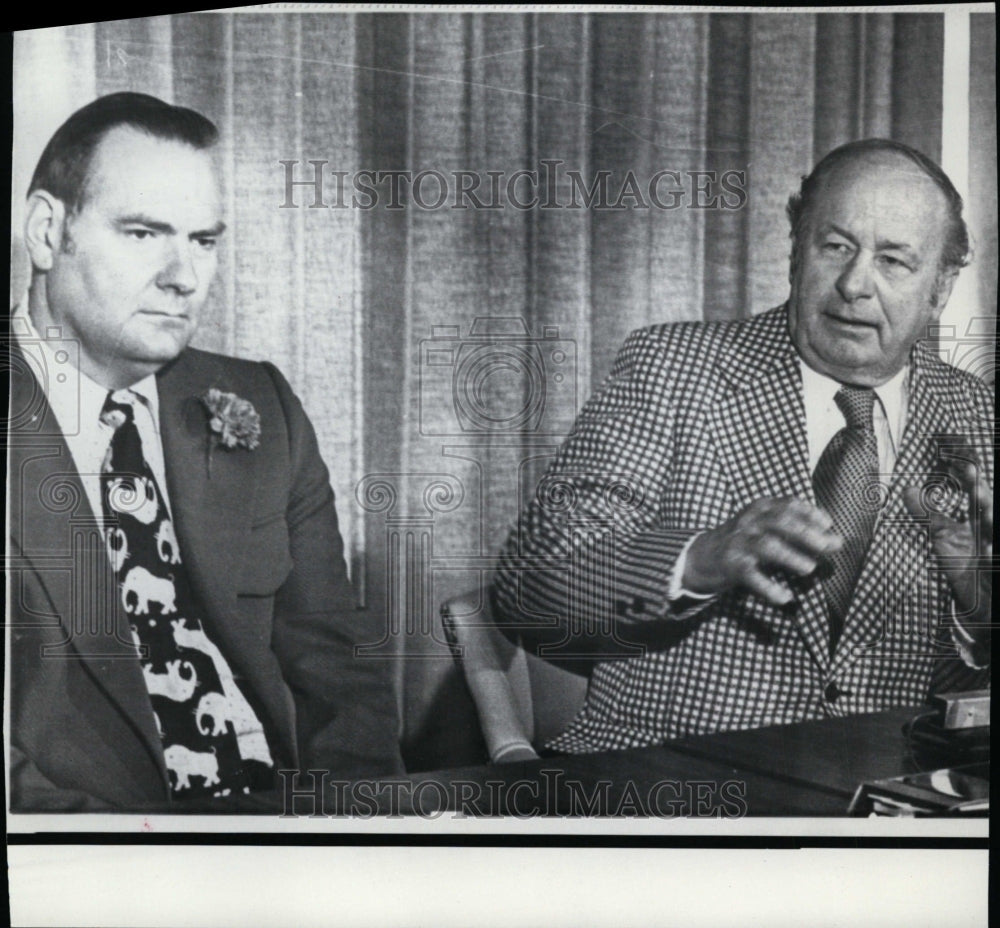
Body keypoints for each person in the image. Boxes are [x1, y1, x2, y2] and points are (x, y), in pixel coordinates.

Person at [493, 138, 993, 753]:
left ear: (940, 288)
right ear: (794, 248)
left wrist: (979, 600)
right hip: (672, 792)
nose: (854, 285)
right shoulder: (672, 369)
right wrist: (700, 560)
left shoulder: (977, 414)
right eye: (835, 246)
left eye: (894, 261)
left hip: (883, 803)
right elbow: (528, 590)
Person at [7, 92, 404, 811]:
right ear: (45, 232)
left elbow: (341, 675)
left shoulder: (262, 406)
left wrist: (362, 843)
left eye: (203, 241)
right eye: (142, 233)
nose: (183, 278)